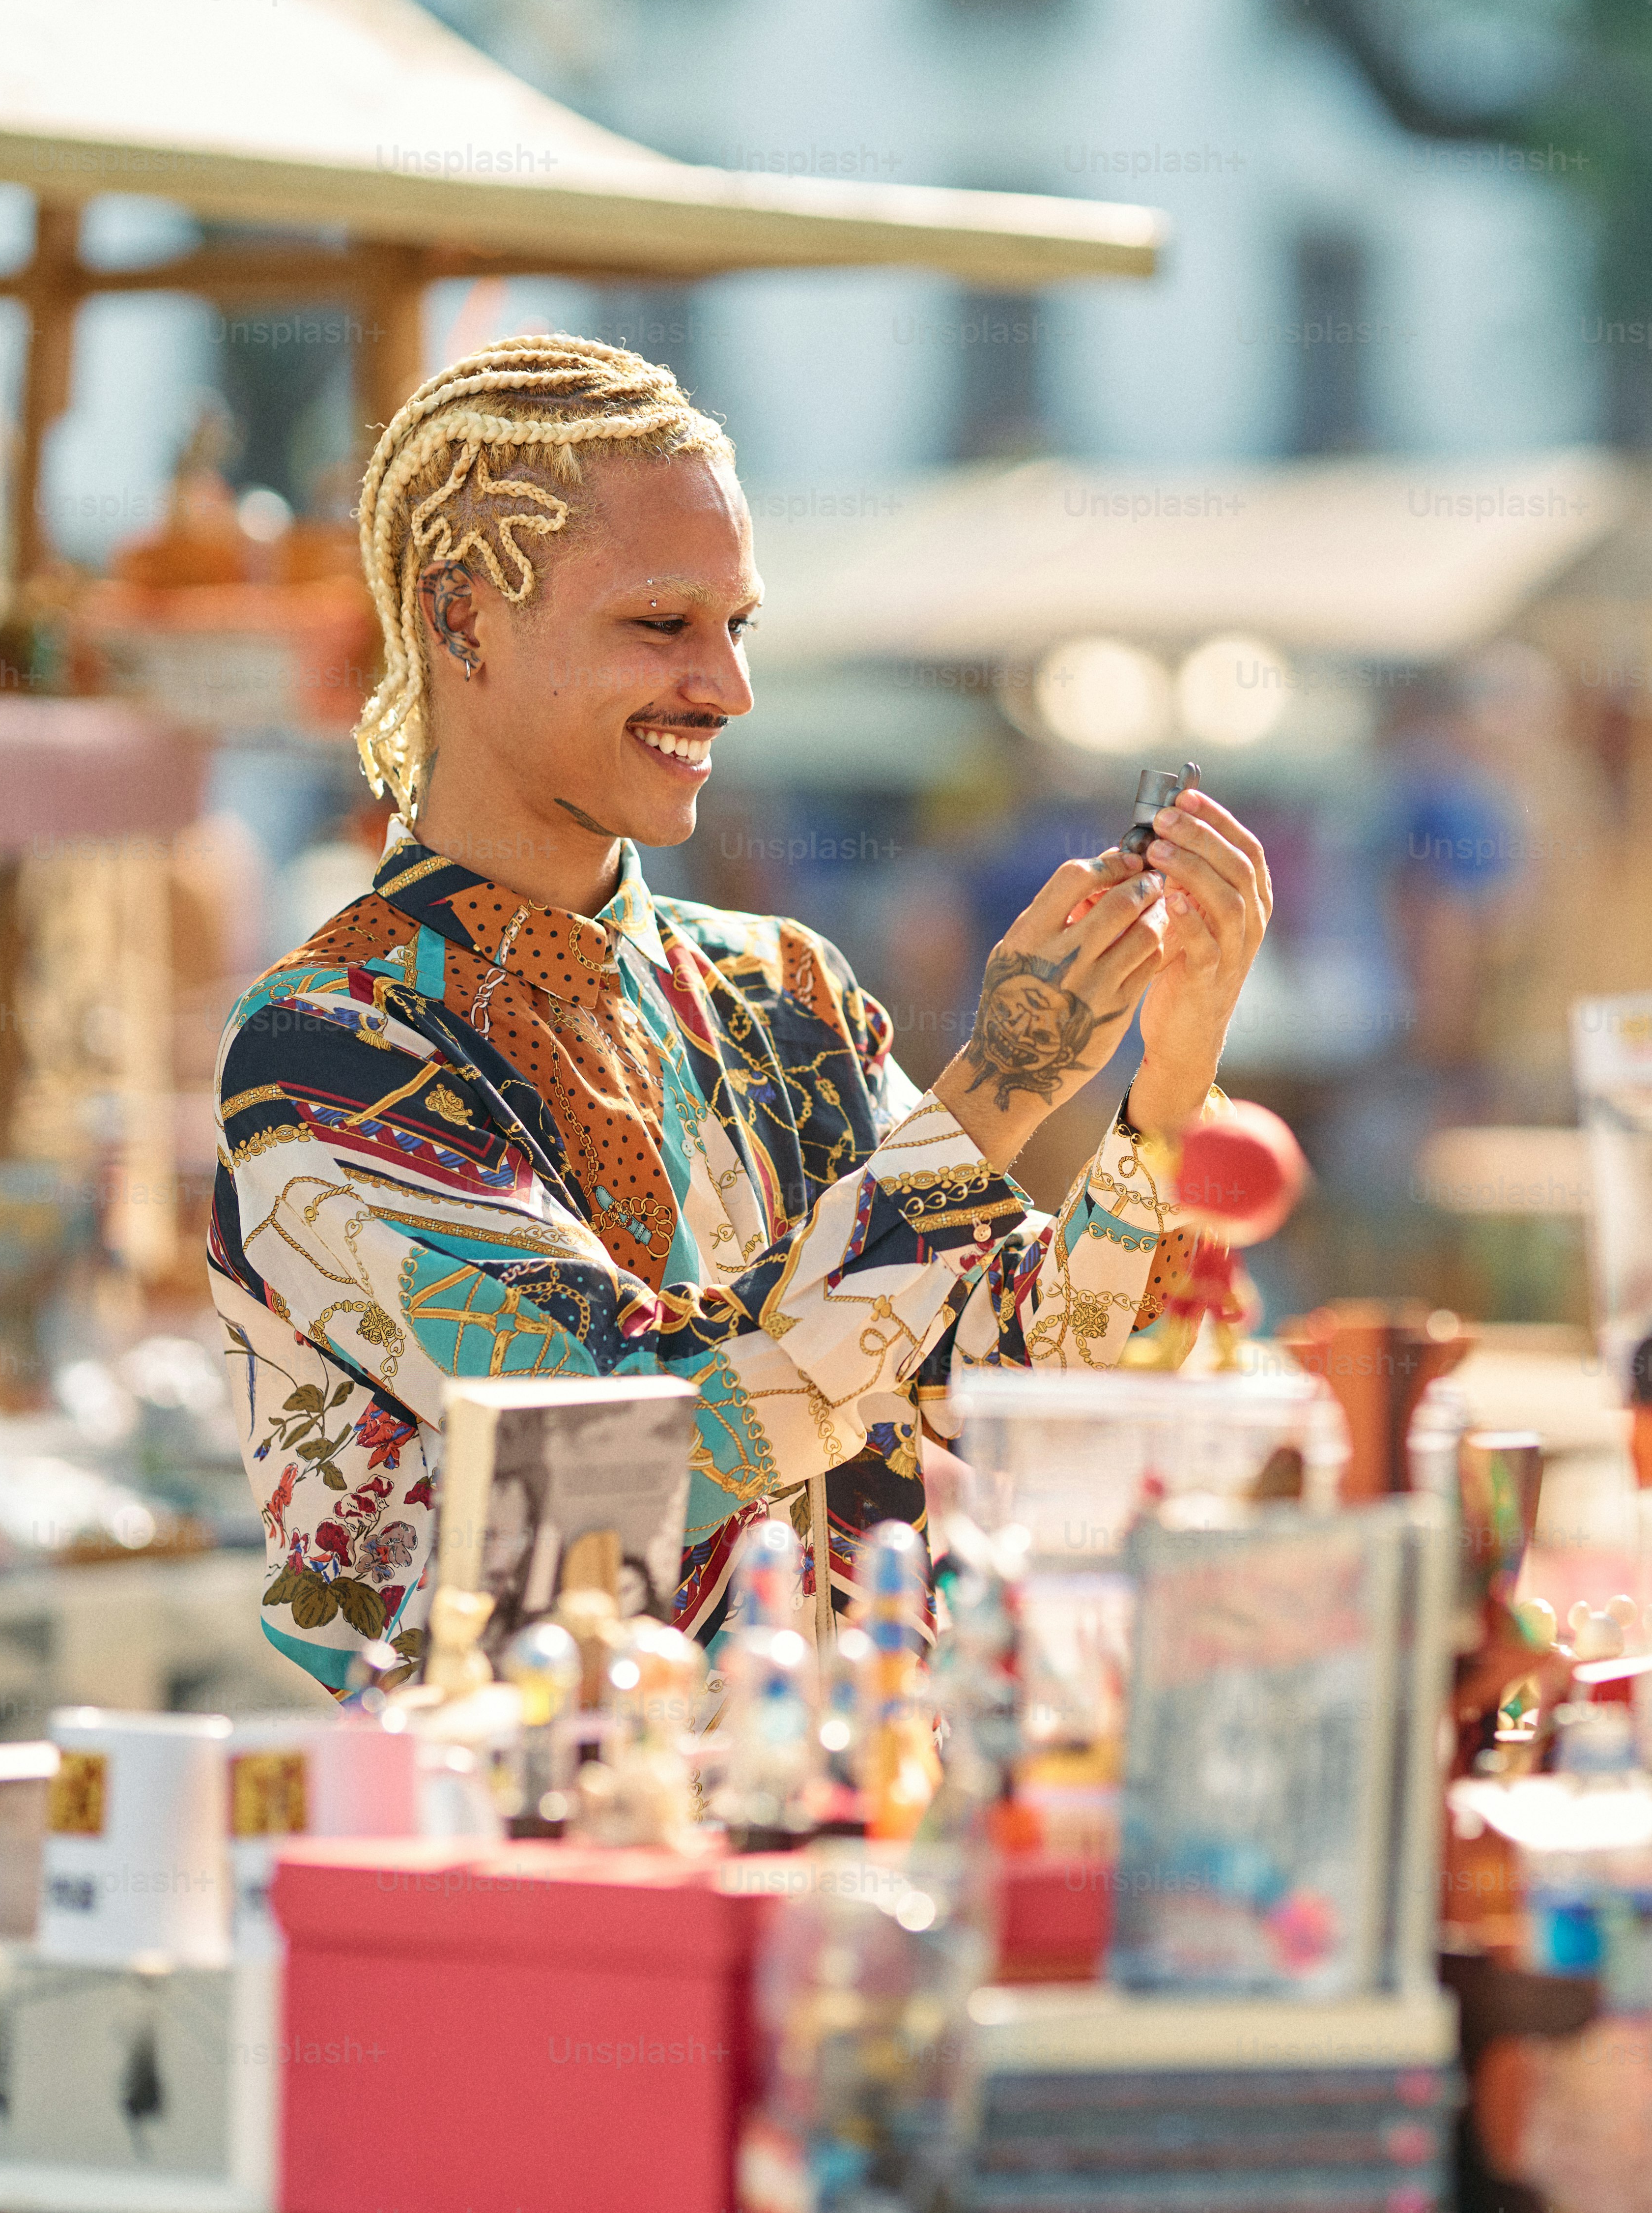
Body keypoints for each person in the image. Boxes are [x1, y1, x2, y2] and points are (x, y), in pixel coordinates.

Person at [211, 338, 1268, 1690]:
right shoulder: (332, 1048)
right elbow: (655, 1430)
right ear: (460, 619)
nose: (729, 687)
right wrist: (1004, 1077)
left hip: (860, 1828)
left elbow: (1034, 1380)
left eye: (738, 624)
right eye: (662, 625)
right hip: (541, 1858)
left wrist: (1167, 1081)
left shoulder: (782, 990)